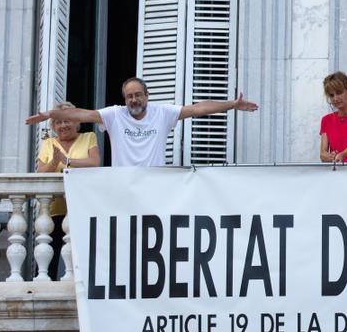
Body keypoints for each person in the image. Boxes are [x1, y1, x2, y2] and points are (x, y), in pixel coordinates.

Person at [25, 77, 259, 167]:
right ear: (124, 99)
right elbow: (82, 114)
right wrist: (50, 115)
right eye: (129, 96)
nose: (134, 99)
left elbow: (198, 109)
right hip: (124, 188)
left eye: (138, 94)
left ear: (146, 96)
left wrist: (232, 104)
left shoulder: (162, 112)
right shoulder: (115, 114)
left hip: (153, 186)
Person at [34, 102, 100, 279]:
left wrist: (67, 160)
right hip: (53, 208)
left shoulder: (88, 137)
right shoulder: (48, 143)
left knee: (82, 252)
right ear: (53, 126)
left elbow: (94, 163)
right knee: (50, 253)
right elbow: (40, 173)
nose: (63, 125)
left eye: (68, 120)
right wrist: (55, 162)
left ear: (77, 121)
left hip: (81, 206)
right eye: (58, 122)